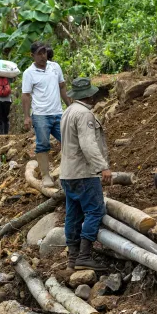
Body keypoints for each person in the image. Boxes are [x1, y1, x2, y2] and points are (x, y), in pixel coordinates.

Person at [60, 77, 112, 271]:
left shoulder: (68, 112)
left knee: (72, 215)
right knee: (95, 211)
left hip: (67, 173)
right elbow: (88, 144)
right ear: (89, 95)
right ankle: (84, 255)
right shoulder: (84, 114)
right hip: (84, 173)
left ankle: (72, 258)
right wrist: (102, 167)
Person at [22, 41, 70, 187]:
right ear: (33, 56)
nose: (43, 56)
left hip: (58, 112)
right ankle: (46, 176)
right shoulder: (29, 73)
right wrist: (27, 117)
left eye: (44, 52)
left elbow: (62, 87)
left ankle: (66, 174)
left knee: (69, 141)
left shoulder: (55, 67)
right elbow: (26, 95)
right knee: (43, 144)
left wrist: (70, 105)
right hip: (41, 115)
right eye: (39, 54)